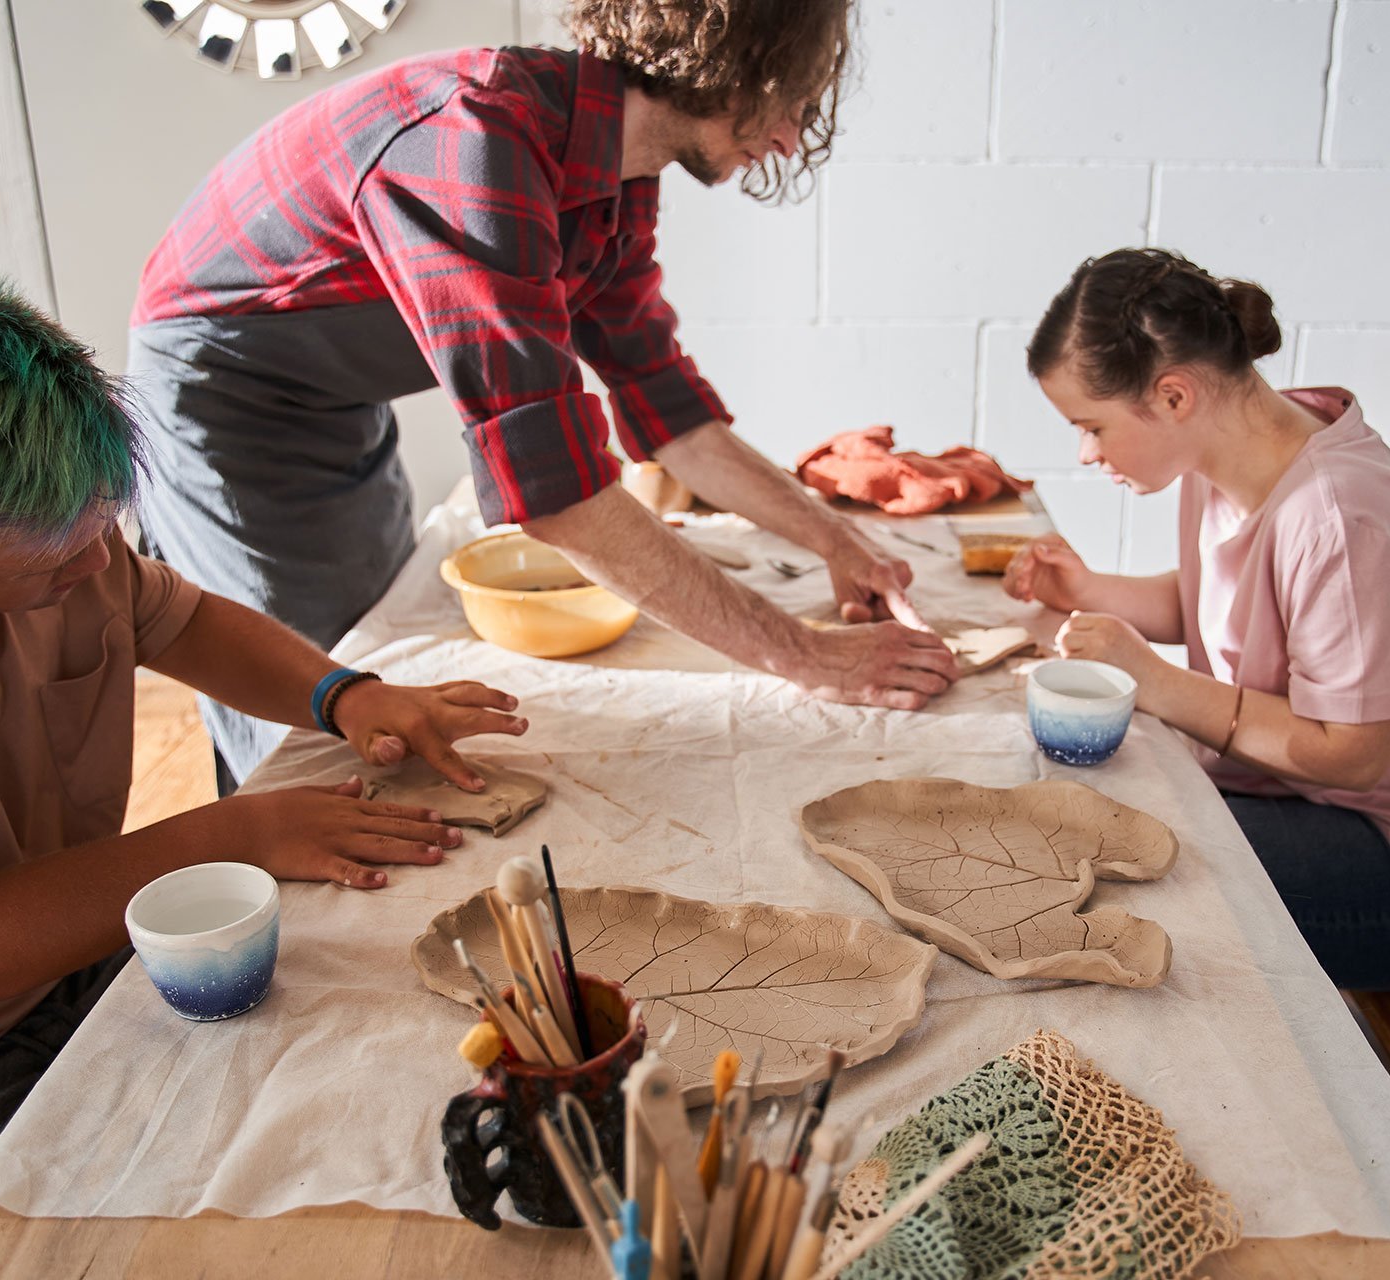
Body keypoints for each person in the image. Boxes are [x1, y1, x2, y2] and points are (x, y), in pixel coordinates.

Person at [0, 283, 527, 1277]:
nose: (91, 573)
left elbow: (178, 617)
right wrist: (232, 834)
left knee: (332, 1117)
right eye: (50, 572)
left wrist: (344, 693)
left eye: (98, 542)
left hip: (64, 963)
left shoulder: (47, 540)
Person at [128, 0, 959, 790]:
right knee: (317, 715)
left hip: (337, 393)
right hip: (223, 393)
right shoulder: (473, 140)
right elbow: (555, 495)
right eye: (789, 104)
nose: (786, 139)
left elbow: (671, 414)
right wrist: (806, 657)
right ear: (726, 63)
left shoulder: (617, 174)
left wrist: (835, 539)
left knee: (383, 643)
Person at [1004, 247, 1390, 992]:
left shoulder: (1344, 521)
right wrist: (1094, 589)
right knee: (1084, 817)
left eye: (1092, 426)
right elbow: (1228, 603)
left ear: (1173, 397)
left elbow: (1350, 754)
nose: (1086, 452)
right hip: (1323, 803)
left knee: (1101, 873)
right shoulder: (1232, 454)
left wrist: (1155, 681)